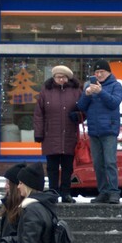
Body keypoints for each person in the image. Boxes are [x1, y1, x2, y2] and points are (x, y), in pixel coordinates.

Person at [77, 60, 122, 204]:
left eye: (101, 72)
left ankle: (114, 192)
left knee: (110, 162)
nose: (99, 75)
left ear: (108, 72)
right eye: (96, 72)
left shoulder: (116, 85)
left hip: (109, 130)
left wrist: (101, 92)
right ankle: (103, 192)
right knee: (97, 163)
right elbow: (81, 106)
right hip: (94, 131)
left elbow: (114, 102)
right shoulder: (89, 86)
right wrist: (87, 94)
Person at [34, 65, 82, 203]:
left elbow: (84, 110)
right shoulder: (45, 92)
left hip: (70, 134)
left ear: (68, 78)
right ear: (53, 77)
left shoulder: (76, 91)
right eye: (58, 77)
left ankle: (66, 193)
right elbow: (38, 114)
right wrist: (39, 133)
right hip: (51, 135)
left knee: (68, 167)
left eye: (64, 77)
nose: (61, 79)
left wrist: (78, 116)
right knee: (52, 167)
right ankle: (53, 192)